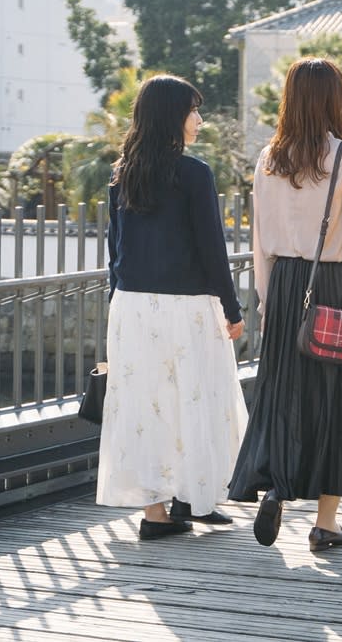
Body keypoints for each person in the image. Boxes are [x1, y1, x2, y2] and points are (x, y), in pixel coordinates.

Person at [229, 58, 342, 552]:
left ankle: (279, 488)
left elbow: (259, 239)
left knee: (284, 394)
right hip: (337, 287)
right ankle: (326, 523)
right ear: (336, 99)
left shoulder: (268, 157)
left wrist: (267, 300)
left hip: (285, 286)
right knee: (338, 400)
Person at [97, 75, 247, 539]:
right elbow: (211, 249)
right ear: (171, 116)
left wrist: (114, 308)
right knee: (196, 399)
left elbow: (114, 251)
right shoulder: (193, 173)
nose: (199, 120)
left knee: (147, 406)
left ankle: (157, 513)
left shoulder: (123, 173)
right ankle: (196, 498)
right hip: (186, 308)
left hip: (131, 307)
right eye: (193, 110)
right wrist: (233, 308)